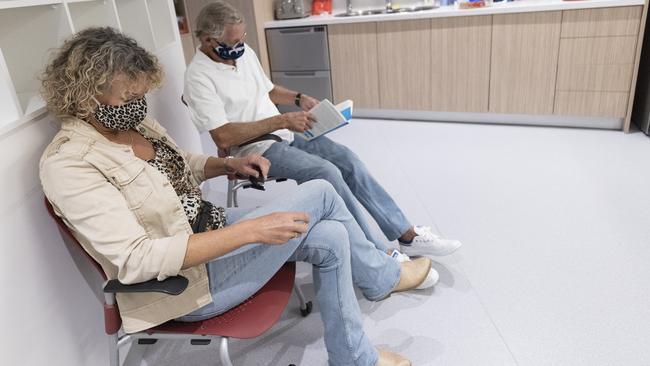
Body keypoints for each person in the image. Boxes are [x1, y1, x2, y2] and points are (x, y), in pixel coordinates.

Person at [39, 27, 433, 366]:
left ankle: (353, 355)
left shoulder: (134, 123)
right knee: (321, 189)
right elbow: (135, 260)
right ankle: (382, 276)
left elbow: (179, 164)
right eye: (128, 98)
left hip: (211, 230)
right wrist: (252, 230)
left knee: (331, 236)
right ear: (84, 95)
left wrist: (226, 167)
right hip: (189, 285)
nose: (137, 106)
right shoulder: (70, 164)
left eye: (141, 96)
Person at [183, 1, 463, 268]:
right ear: (208, 40)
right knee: (326, 172)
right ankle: (377, 250)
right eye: (233, 43)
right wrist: (281, 119)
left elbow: (266, 89)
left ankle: (407, 235)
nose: (240, 46)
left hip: (284, 131)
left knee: (347, 160)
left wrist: (298, 98)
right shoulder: (198, 77)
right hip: (254, 149)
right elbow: (223, 136)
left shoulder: (244, 55)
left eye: (242, 38)